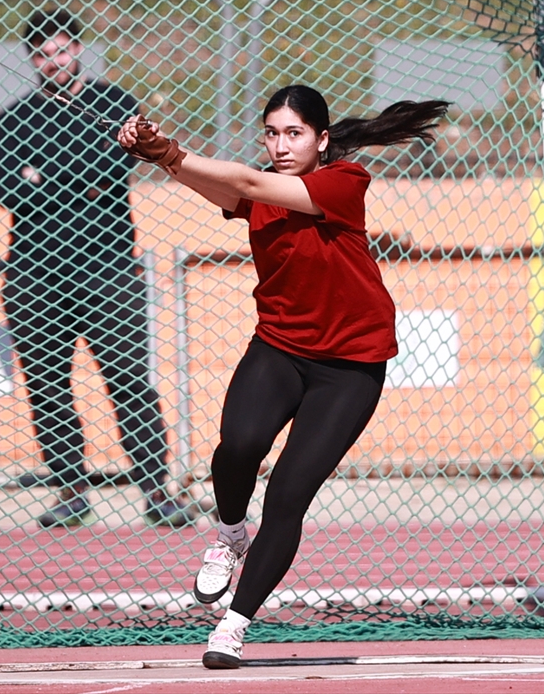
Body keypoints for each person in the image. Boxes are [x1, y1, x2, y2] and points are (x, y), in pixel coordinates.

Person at [117, 85, 449, 669]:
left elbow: (242, 184)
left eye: (293, 134)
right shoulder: (263, 187)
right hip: (279, 346)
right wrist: (165, 160)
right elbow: (225, 188)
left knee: (290, 495)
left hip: (349, 366)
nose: (280, 144)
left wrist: (168, 151)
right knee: (237, 448)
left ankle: (234, 625)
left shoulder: (342, 182)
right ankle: (228, 533)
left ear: (322, 141)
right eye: (271, 133)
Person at [0, 8, 196, 529]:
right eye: (41, 53)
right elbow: (5, 187)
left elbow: (116, 164)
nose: (52, 61)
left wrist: (43, 176)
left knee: (128, 377)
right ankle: (70, 491)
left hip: (107, 266)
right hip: (34, 271)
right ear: (31, 59)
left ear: (77, 50)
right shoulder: (13, 118)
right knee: (48, 383)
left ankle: (157, 491)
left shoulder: (113, 102)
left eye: (60, 50)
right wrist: (72, 179)